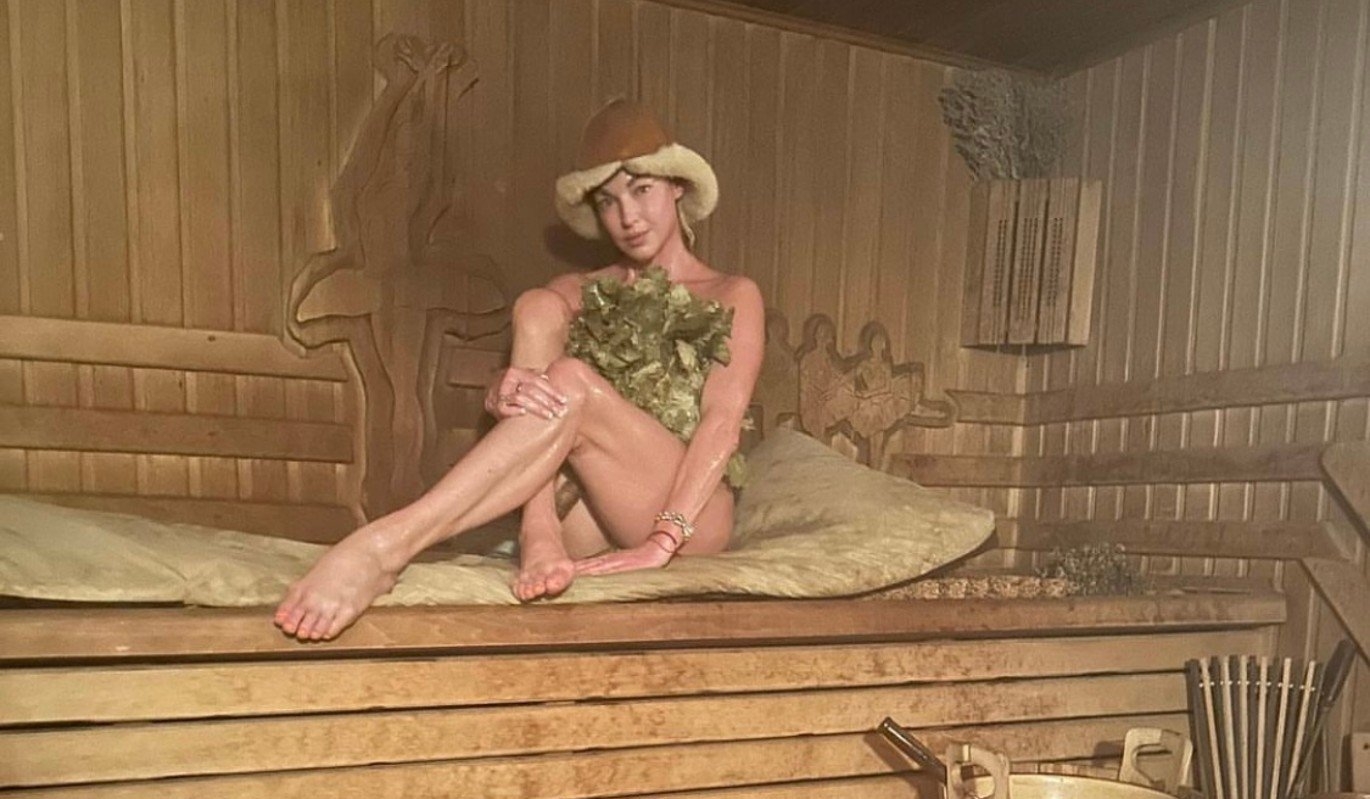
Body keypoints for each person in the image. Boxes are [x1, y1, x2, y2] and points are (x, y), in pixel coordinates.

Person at [273, 99, 764, 641]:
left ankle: (384, 546)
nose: (627, 217)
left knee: (572, 380)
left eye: (641, 189)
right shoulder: (577, 291)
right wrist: (499, 391)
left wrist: (661, 542)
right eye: (608, 201)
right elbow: (532, 387)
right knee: (536, 308)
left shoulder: (732, 293)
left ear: (677, 187)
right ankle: (537, 533)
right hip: (588, 513)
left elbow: (722, 420)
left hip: (689, 515)